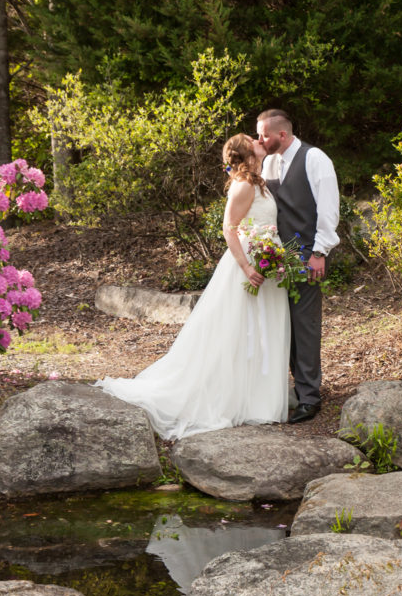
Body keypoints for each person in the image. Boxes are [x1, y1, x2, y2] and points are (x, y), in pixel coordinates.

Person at [95, 134, 291, 440]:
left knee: (263, 329)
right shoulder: (242, 186)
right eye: (252, 139)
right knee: (241, 331)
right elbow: (229, 228)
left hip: (269, 266)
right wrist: (248, 266)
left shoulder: (259, 182)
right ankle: (234, 397)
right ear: (244, 152)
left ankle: (259, 398)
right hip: (248, 267)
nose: (257, 139)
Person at [256, 109, 339, 424]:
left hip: (307, 256)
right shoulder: (269, 162)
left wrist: (319, 252)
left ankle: (309, 397)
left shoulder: (315, 159)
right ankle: (291, 387)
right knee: (282, 326)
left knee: (305, 327)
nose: (259, 140)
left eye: (264, 135)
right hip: (275, 259)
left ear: (282, 135)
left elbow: (328, 209)